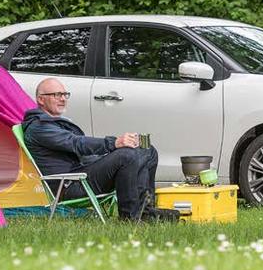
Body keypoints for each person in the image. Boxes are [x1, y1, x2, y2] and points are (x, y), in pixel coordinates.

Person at [21, 77, 179, 222]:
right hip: (72, 185)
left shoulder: (53, 122)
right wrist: (114, 143)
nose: (62, 98)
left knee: (147, 150)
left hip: (83, 173)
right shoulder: (39, 127)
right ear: (41, 99)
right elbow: (76, 143)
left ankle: (145, 211)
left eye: (64, 94)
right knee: (126, 155)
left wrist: (108, 152)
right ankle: (129, 216)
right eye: (56, 95)